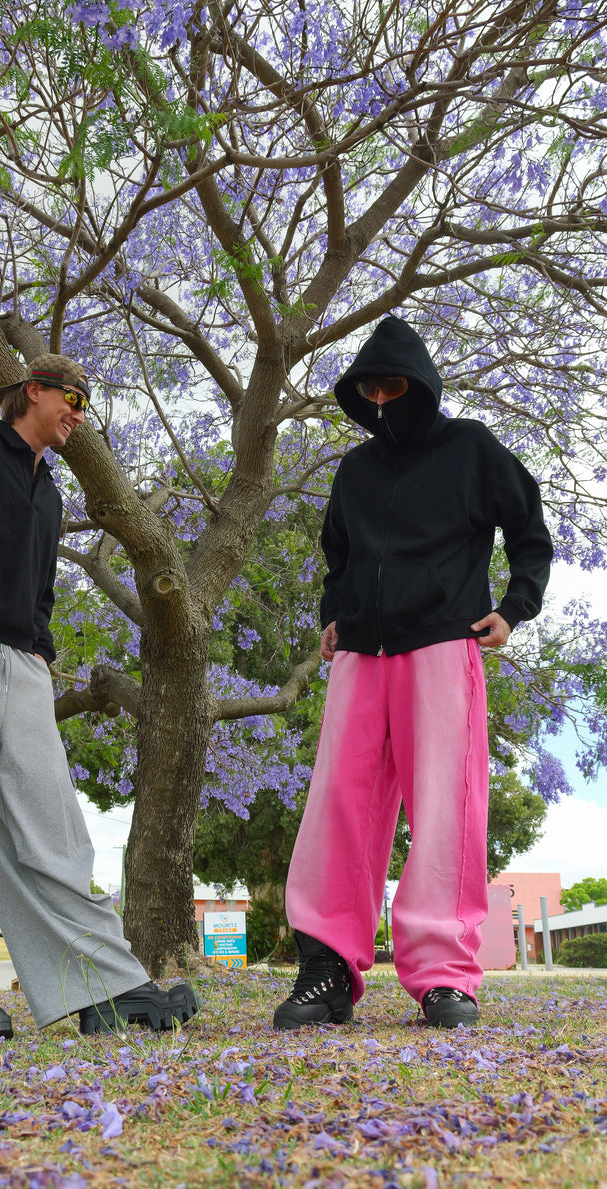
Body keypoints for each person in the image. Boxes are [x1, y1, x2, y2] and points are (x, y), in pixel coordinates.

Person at [0, 354, 200, 1047]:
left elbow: (42, 590)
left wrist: (42, 654)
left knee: (54, 827)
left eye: (86, 404)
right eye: (72, 398)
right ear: (34, 391)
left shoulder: (48, 493)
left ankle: (104, 988)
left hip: (22, 665)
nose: (79, 414)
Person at [273, 316, 553, 1031]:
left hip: (440, 645)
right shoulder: (355, 470)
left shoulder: (471, 448)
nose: (381, 400)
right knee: (339, 803)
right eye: (369, 389)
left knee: (444, 806)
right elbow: (338, 555)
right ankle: (328, 968)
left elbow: (529, 528)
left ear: (421, 386)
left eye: (393, 386)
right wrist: (333, 614)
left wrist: (514, 607)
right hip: (359, 656)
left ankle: (443, 977)